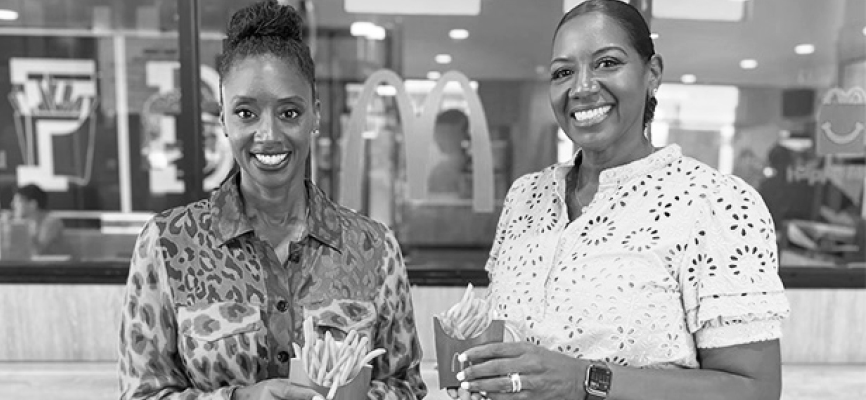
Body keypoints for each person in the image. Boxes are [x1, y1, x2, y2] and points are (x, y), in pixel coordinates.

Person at [450, 1, 789, 400]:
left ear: (653, 74)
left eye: (607, 63)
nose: (582, 87)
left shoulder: (715, 202)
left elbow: (755, 389)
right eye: (563, 72)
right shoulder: (526, 197)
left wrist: (581, 380)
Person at [117, 2, 427, 400]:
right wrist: (240, 398)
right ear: (225, 119)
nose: (268, 134)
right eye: (246, 112)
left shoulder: (373, 248)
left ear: (315, 115)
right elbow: (140, 394)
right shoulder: (167, 244)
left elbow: (406, 386)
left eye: (289, 112)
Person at [11, 184, 66, 255]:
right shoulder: (29, 223)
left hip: (52, 265)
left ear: (33, 204)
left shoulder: (51, 222)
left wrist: (17, 225)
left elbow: (37, 252)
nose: (12, 205)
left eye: (18, 201)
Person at [428, 109, 471, 197]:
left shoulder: (442, 172)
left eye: (443, 133)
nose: (438, 139)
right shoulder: (442, 170)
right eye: (437, 134)